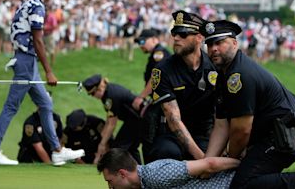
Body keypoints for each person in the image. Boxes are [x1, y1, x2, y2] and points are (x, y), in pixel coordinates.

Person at [203, 20, 295, 188]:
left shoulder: (239, 75)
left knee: (243, 184)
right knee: (253, 177)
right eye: (209, 44)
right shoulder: (223, 75)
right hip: (274, 132)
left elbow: (241, 130)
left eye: (219, 42)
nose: (213, 49)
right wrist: (207, 164)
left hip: (289, 134)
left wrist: (229, 160)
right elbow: (221, 125)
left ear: (235, 43)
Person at [0, 0, 84, 166]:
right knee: (11, 107)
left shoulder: (31, 4)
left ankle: (56, 151)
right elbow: (38, 41)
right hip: (26, 61)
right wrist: (49, 71)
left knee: (46, 104)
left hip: (27, 61)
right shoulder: (37, 6)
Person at [148, 10, 217, 161]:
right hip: (172, 134)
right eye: (174, 34)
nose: (176, 38)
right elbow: (174, 120)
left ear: (199, 37)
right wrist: (202, 160)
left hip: (205, 133)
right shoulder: (162, 70)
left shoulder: (214, 68)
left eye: (183, 34)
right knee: (165, 153)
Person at [97, 148, 239, 189]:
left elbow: (210, 165)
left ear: (122, 174)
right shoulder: (144, 183)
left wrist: (246, 165)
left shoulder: (156, 174)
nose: (110, 187)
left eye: (110, 181)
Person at [83, 74, 144, 164]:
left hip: (138, 120)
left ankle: (119, 170)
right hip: (134, 120)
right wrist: (102, 139)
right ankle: (138, 170)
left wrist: (102, 145)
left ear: (99, 89)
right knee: (131, 148)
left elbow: (112, 124)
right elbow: (109, 118)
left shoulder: (109, 97)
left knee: (119, 147)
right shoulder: (107, 93)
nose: (92, 96)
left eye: (92, 93)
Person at [133, 28, 171, 163]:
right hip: (160, 101)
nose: (141, 44)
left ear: (155, 39)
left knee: (150, 137)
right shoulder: (155, 54)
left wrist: (141, 97)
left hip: (163, 102)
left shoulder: (159, 53)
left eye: (143, 41)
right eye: (139, 42)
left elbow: (156, 78)